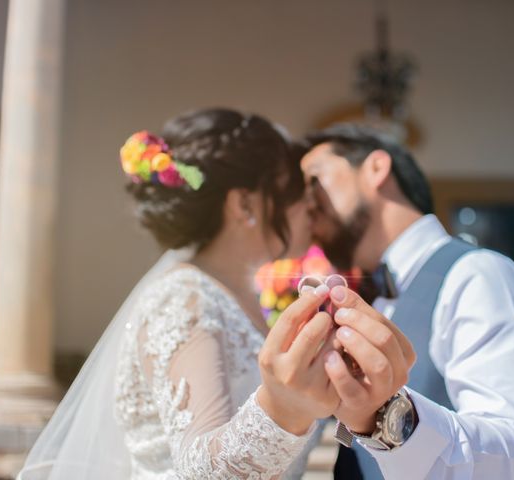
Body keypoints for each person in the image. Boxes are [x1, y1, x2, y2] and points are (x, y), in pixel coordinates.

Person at [18, 108, 353, 479]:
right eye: (294, 190)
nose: (309, 206)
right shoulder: (184, 300)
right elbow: (200, 470)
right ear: (244, 204)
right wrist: (285, 409)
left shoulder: (237, 298)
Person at [298, 124, 514, 479]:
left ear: (375, 168)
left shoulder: (477, 276)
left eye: (313, 179)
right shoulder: (376, 298)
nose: (305, 202)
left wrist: (387, 417)